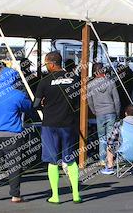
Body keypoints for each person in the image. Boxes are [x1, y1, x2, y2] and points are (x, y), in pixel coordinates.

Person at [34, 51, 81, 204]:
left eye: (46, 64)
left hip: (50, 124)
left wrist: (42, 105)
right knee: (71, 159)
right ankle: (76, 194)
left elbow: (35, 105)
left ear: (52, 64)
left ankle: (55, 196)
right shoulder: (74, 78)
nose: (46, 67)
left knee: (52, 161)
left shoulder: (45, 81)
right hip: (68, 123)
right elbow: (79, 101)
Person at [0, 67, 31, 202]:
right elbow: (28, 107)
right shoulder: (18, 95)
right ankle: (15, 195)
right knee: (14, 166)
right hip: (13, 134)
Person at [87, 63, 120, 166]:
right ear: (103, 71)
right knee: (111, 137)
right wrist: (117, 112)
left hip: (99, 113)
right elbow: (116, 100)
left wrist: (94, 111)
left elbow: (90, 101)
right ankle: (110, 159)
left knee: (101, 137)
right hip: (111, 111)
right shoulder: (111, 82)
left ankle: (102, 159)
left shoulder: (89, 85)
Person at [101, 105, 133, 175]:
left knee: (110, 145)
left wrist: (109, 143)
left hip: (124, 152)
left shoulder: (120, 123)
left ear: (126, 113)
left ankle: (110, 167)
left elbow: (112, 140)